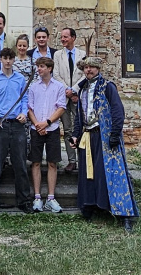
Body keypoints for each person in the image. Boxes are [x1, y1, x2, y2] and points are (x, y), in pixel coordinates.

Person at [71, 56, 139, 232]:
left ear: (98, 68)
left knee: (110, 173)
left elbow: (117, 111)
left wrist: (114, 134)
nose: (89, 70)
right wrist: (75, 135)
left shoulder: (108, 87)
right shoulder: (82, 90)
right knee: (89, 173)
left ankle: (124, 213)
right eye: (86, 67)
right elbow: (80, 115)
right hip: (88, 135)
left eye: (92, 67)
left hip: (105, 136)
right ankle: (90, 206)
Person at [0, 48, 32, 214]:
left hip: (17, 125)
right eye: (5, 58)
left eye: (11, 58)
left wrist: (23, 114)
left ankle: (24, 200)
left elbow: (24, 99)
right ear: (1, 59)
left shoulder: (20, 79)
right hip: (0, 125)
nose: (8, 61)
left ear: (14, 60)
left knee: (20, 164)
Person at [28, 59, 67, 213]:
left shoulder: (58, 87)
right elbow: (29, 108)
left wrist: (47, 123)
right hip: (36, 128)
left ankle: (51, 197)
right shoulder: (33, 87)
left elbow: (61, 107)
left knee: (52, 163)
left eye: (42, 66)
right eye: (38, 66)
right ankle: (37, 197)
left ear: (50, 68)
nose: (39, 69)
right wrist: (38, 124)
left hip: (52, 128)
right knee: (36, 162)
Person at [53, 28, 85, 173]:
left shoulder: (82, 54)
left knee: (81, 129)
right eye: (62, 37)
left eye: (66, 37)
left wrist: (75, 90)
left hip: (77, 97)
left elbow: (85, 75)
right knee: (67, 130)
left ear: (73, 38)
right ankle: (72, 161)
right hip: (64, 97)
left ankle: (82, 159)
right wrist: (67, 90)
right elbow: (56, 75)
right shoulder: (57, 55)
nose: (63, 39)